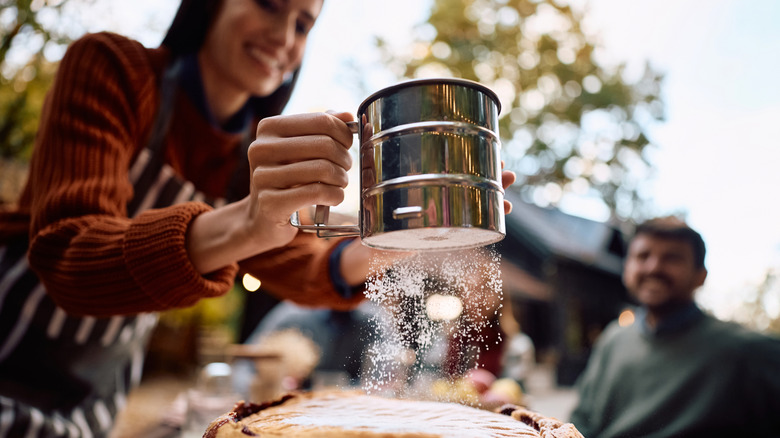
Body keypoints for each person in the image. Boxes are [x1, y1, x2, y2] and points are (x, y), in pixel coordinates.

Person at [0, 0, 517, 436]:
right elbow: (71, 259)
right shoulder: (114, 68)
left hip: (96, 397)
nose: (284, 36)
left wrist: (409, 228)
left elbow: (311, 270)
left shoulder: (248, 159)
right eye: (269, 2)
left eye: (303, 23)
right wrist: (246, 223)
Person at [568, 217, 780, 438]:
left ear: (701, 276)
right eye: (642, 256)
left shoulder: (745, 350)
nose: (653, 267)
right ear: (627, 268)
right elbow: (581, 422)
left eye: (672, 258)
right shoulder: (614, 339)